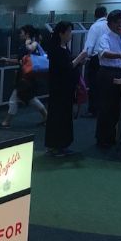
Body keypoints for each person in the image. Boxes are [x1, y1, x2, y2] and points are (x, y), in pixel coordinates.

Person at [45, 21, 88, 156]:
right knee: (57, 116)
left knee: (64, 116)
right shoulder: (56, 49)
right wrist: (80, 57)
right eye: (68, 31)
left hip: (66, 88)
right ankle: (55, 145)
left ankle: (61, 144)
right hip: (59, 88)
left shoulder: (63, 48)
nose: (70, 34)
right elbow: (66, 67)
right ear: (61, 33)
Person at [95, 10, 121, 148]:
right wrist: (119, 55)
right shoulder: (105, 37)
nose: (120, 24)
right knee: (106, 106)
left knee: (117, 107)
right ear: (109, 24)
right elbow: (104, 53)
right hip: (108, 73)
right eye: (117, 22)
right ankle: (101, 138)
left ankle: (111, 136)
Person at [0, 25, 48, 128]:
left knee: (14, 99)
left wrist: (28, 45)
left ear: (27, 34)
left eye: (22, 33)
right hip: (27, 77)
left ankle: (7, 121)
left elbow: (24, 58)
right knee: (31, 99)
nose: (20, 35)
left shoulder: (31, 44)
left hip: (25, 78)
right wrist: (7, 60)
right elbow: (21, 61)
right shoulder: (26, 45)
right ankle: (46, 116)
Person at [82, 6, 109, 117]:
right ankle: (103, 108)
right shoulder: (110, 25)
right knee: (104, 85)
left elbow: (89, 46)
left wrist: (84, 57)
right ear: (106, 14)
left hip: (96, 59)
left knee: (93, 85)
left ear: (95, 15)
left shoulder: (95, 26)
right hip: (108, 58)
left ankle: (93, 110)